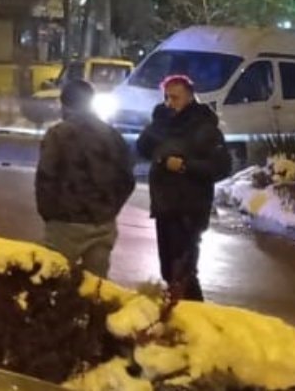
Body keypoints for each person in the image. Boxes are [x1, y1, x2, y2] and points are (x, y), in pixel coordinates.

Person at [137, 75, 231, 302]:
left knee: (183, 273)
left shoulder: (204, 128)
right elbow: (143, 147)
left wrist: (184, 166)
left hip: (189, 210)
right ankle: (178, 313)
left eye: (175, 98)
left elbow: (221, 166)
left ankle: (195, 315)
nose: (170, 103)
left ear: (189, 97)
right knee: (168, 269)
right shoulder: (164, 122)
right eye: (167, 97)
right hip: (165, 207)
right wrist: (158, 123)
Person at [35, 80, 135, 277]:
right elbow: (127, 179)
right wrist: (110, 209)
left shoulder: (58, 134)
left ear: (64, 104)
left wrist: (50, 214)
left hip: (65, 223)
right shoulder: (112, 135)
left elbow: (46, 178)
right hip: (102, 223)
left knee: (52, 279)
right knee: (96, 285)